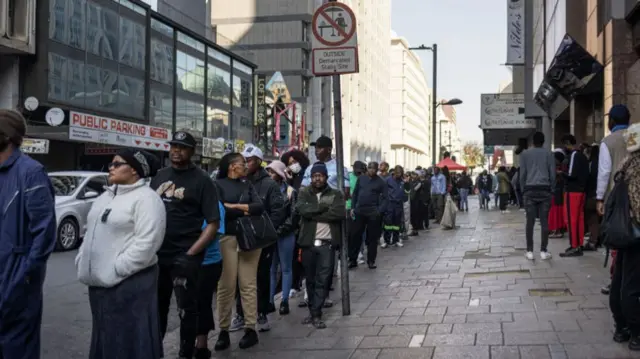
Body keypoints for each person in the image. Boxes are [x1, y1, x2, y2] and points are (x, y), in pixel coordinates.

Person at [76, 148, 165, 359]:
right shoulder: (105, 196)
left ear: (135, 170)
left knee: (128, 343)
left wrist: (116, 268)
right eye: (111, 164)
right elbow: (89, 232)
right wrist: (82, 259)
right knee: (105, 340)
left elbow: (148, 243)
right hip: (99, 286)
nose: (111, 167)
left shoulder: (147, 199)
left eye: (118, 164)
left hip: (129, 284)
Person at [150, 131, 221, 359]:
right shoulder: (160, 176)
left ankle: (186, 353)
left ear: (192, 151)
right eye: (173, 146)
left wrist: (191, 253)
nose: (176, 150)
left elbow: (212, 223)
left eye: (182, 147)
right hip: (157, 255)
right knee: (156, 308)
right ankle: (155, 351)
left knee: (186, 310)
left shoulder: (203, 181)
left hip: (186, 257)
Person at [0, 110, 57, 359]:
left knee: (16, 348)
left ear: (6, 135)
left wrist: (24, 278)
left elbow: (44, 232)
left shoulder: (31, 172)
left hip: (17, 281)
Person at [213, 153, 265, 351]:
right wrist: (245, 208)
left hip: (250, 239)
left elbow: (259, 207)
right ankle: (223, 330)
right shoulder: (217, 185)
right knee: (225, 286)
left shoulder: (247, 184)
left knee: (248, 284)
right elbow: (219, 210)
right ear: (232, 166)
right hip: (226, 238)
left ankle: (250, 328)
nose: (246, 166)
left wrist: (234, 206)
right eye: (243, 163)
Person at [232, 144, 285, 333]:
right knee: (240, 278)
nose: (246, 164)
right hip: (240, 239)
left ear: (258, 162)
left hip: (262, 241)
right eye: (243, 160)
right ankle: (240, 314)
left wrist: (265, 231)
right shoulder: (237, 181)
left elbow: (278, 212)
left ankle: (261, 313)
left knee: (261, 277)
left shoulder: (269, 184)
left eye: (250, 160)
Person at [300, 136, 349, 308]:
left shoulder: (339, 167)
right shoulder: (309, 168)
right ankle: (311, 298)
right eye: (315, 148)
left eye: (320, 148)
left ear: (329, 149)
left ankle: (326, 293)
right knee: (311, 267)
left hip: (331, 222)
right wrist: (318, 208)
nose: (316, 151)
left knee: (328, 263)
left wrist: (323, 207)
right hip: (311, 227)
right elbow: (303, 195)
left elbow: (344, 194)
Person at [295, 162, 345, 329]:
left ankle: (317, 313)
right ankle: (312, 312)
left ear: (325, 177)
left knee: (323, 280)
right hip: (308, 244)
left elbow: (338, 213)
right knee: (310, 280)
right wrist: (323, 208)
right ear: (311, 177)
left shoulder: (335, 194)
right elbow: (302, 210)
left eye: (320, 176)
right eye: (315, 176)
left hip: (327, 245)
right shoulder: (304, 193)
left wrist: (313, 213)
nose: (317, 179)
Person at [609, 123, 640, 350]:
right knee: (631, 285)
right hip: (637, 232)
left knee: (619, 279)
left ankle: (621, 328)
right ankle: (637, 333)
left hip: (623, 232)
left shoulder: (624, 165)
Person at [598, 104, 631, 295]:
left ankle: (617, 281)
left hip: (618, 201)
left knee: (618, 240)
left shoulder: (608, 142)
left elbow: (604, 173)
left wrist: (600, 198)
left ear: (611, 121)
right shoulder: (636, 137)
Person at [265, 160, 298, 315]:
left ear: (279, 174)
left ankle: (284, 301)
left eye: (272, 172)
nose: (269, 175)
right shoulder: (265, 190)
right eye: (268, 171)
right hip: (270, 235)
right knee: (271, 269)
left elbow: (293, 216)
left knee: (286, 268)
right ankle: (269, 301)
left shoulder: (291, 192)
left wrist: (280, 230)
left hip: (285, 234)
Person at [519, 131, 555, 261]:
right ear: (543, 141)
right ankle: (543, 251)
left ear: (533, 142)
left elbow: (522, 174)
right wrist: (552, 189)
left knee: (530, 221)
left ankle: (529, 251)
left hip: (529, 190)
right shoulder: (549, 154)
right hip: (545, 190)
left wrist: (523, 189)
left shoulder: (525, 154)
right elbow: (552, 174)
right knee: (544, 221)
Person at [194, 203, 225, 359]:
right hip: (186, 261)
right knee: (188, 305)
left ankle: (202, 345)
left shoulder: (215, 204)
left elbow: (212, 233)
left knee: (202, 303)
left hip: (208, 263)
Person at [280, 150, 310, 297]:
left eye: (294, 162)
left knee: (303, 253)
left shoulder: (306, 176)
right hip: (292, 222)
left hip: (304, 221)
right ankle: (294, 284)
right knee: (292, 255)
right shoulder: (288, 180)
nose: (293, 165)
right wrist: (289, 180)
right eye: (290, 163)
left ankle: (304, 282)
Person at [349, 161, 388, 268]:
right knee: (355, 235)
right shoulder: (361, 179)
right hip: (360, 211)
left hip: (373, 213)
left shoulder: (381, 182)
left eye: (374, 168)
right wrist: (353, 207)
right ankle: (352, 260)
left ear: (377, 170)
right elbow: (355, 193)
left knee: (372, 238)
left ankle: (371, 261)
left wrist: (379, 211)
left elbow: (385, 198)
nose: (371, 170)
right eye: (370, 168)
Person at [559, 134, 590, 258]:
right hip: (582, 191)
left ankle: (574, 245)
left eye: (564, 144)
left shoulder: (574, 155)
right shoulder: (582, 156)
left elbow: (572, 174)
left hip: (573, 191)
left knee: (571, 220)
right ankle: (579, 244)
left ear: (567, 143)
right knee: (579, 219)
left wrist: (561, 173)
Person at [383, 165, 407, 248]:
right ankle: (386, 241)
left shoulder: (402, 181)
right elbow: (384, 192)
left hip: (398, 205)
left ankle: (396, 240)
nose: (399, 175)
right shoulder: (388, 180)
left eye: (400, 173)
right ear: (394, 172)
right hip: (390, 204)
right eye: (397, 173)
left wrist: (406, 183)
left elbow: (406, 192)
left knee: (397, 223)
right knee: (388, 223)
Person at [583, 144, 600, 251]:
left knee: (592, 219)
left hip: (591, 194)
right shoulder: (602, 163)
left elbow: (588, 179)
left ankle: (593, 241)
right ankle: (598, 239)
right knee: (599, 219)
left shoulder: (591, 164)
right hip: (601, 194)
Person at [548, 151, 567, 238]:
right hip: (558, 191)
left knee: (555, 210)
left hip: (556, 191)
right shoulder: (561, 168)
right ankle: (558, 229)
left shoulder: (557, 169)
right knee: (557, 209)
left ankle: (557, 230)